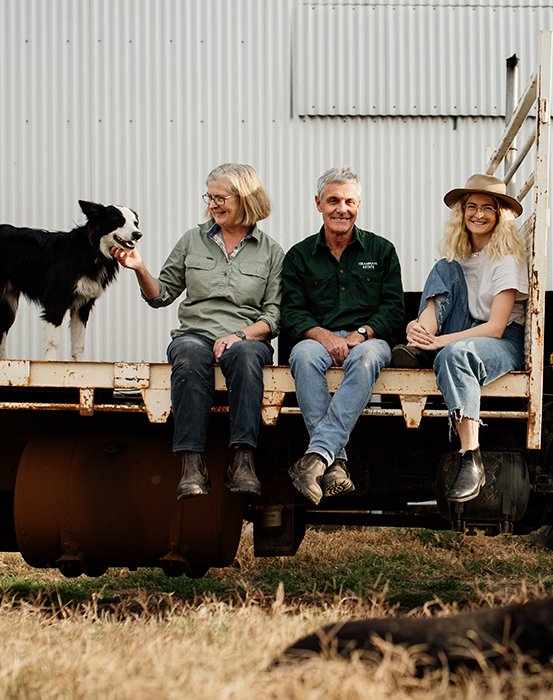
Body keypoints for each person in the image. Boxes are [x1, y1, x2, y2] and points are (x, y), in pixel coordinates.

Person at [115, 163, 283, 500]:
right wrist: (139, 268)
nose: (213, 204)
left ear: (246, 199)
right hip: (196, 333)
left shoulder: (271, 251)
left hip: (246, 337)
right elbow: (160, 295)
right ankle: (191, 464)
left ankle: (242, 461)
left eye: (221, 197)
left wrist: (240, 335)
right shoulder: (192, 240)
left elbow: (274, 316)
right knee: (190, 355)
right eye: (210, 196)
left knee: (248, 357)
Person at [390, 174, 528, 504]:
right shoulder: (460, 258)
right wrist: (421, 330)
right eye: (471, 207)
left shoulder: (506, 258)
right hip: (462, 330)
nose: (478, 214)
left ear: (499, 215)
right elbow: (442, 300)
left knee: (456, 354)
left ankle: (471, 457)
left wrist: (443, 342)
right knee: (444, 267)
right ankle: (418, 344)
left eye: (487, 208)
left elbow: (495, 327)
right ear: (461, 213)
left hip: (501, 340)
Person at [281, 166, 404, 505]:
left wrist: (360, 334)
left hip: (368, 340)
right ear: (318, 203)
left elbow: (394, 308)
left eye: (349, 201)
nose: (342, 208)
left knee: (365, 359)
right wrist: (323, 336)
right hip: (316, 340)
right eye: (333, 200)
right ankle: (334, 464)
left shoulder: (381, 251)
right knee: (303, 356)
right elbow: (290, 312)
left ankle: (316, 457)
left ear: (359, 205)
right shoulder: (299, 256)